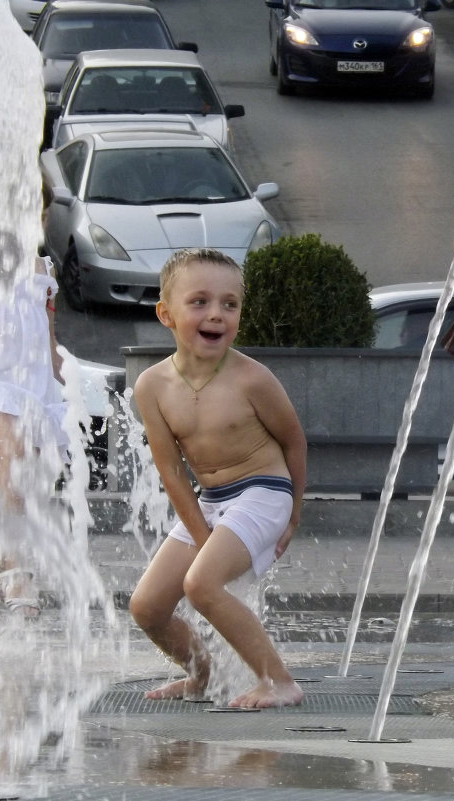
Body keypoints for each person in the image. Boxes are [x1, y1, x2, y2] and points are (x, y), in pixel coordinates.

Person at [128, 248, 307, 708]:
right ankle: (200, 675)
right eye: (200, 302)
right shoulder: (152, 386)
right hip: (211, 499)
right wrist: (201, 533)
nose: (217, 315)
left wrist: (292, 517)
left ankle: (279, 681)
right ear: (166, 314)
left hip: (265, 491)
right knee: (146, 607)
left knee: (200, 584)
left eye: (230, 304)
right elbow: (170, 470)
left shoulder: (252, 379)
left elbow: (294, 443)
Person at [0, 184, 68, 619]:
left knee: (26, 477)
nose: (39, 220)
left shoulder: (44, 265)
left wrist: (57, 371)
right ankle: (16, 569)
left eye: (45, 215)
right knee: (12, 458)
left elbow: (46, 324)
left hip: (34, 383)